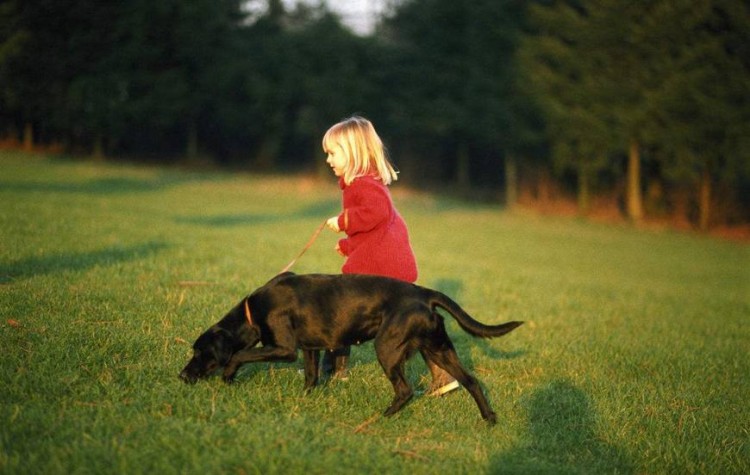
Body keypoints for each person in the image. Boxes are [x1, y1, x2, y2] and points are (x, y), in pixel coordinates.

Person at [321, 115, 459, 396]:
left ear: (354, 152)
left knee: (338, 312)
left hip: (379, 272)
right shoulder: (364, 182)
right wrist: (347, 246)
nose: (328, 159)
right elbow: (375, 232)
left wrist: (344, 221)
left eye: (333, 153)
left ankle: (333, 370)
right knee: (410, 322)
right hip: (390, 266)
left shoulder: (362, 184)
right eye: (327, 154)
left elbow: (376, 213)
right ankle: (444, 376)